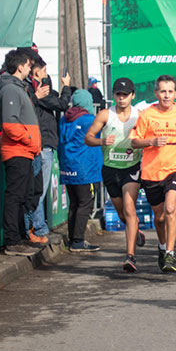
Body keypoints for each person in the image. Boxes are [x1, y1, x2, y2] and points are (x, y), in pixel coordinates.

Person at [130, 75, 176, 273]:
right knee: (160, 218)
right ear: (156, 93)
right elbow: (134, 141)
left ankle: (170, 253)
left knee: (171, 208)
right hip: (152, 173)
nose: (167, 96)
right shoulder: (147, 114)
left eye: (170, 92)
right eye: (163, 91)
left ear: (175, 93)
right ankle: (161, 247)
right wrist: (151, 142)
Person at [85, 77, 146, 272]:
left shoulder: (140, 116)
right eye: (118, 95)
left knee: (129, 209)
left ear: (132, 96)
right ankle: (135, 232)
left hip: (132, 168)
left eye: (125, 95)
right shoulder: (105, 115)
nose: (122, 98)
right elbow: (88, 138)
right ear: (113, 96)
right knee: (122, 214)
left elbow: (149, 137)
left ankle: (130, 257)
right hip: (110, 169)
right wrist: (102, 142)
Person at [0, 49, 43, 256]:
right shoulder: (11, 90)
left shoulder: (19, 89)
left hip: (25, 151)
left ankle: (21, 237)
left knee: (24, 196)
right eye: (28, 64)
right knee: (15, 196)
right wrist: (31, 140)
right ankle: (12, 241)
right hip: (17, 151)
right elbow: (10, 125)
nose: (30, 68)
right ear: (20, 66)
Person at [25, 58, 72, 244]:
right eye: (44, 71)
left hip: (44, 142)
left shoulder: (39, 90)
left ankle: (37, 226)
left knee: (39, 188)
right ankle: (37, 227)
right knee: (40, 189)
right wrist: (66, 87)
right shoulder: (39, 91)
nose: (46, 75)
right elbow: (62, 104)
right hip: (42, 144)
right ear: (36, 72)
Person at [59, 89, 103, 252]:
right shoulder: (90, 120)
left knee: (74, 204)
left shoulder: (64, 120)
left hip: (68, 168)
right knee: (85, 204)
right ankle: (78, 241)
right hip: (86, 170)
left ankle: (73, 239)